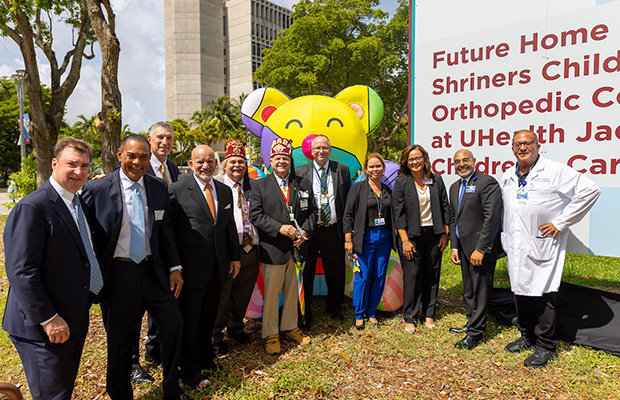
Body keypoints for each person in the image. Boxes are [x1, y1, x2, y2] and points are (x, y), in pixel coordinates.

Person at [82, 134, 188, 400]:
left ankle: (171, 388)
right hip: (119, 273)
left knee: (173, 323)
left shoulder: (157, 187)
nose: (137, 162)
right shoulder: (98, 188)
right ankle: (121, 394)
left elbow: (165, 231)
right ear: (119, 156)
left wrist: (174, 267)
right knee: (120, 340)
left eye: (143, 156)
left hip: (154, 270)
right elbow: (82, 231)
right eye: (131, 156)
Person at [3, 138, 102, 400]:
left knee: (62, 390)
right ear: (54, 164)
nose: (78, 172)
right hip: (42, 327)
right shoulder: (33, 207)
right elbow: (22, 272)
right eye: (72, 164)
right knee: (52, 395)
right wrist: (48, 318)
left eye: (84, 166)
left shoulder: (77, 203)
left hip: (72, 317)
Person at [501, 129, 600, 367]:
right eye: (517, 144)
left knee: (544, 293)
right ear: (512, 148)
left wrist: (560, 222)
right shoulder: (507, 175)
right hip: (516, 244)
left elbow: (590, 190)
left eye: (527, 143)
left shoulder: (555, 170)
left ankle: (546, 345)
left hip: (542, 243)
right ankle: (526, 336)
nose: (522, 148)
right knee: (520, 291)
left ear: (538, 145)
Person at [168, 145, 241, 388]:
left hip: (217, 268)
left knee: (209, 318)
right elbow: (169, 232)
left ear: (216, 163)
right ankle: (189, 370)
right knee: (190, 321)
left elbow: (228, 225)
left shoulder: (223, 190)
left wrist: (234, 256)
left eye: (210, 161)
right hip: (190, 271)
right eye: (200, 162)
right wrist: (174, 266)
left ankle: (206, 358)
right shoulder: (178, 190)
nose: (205, 166)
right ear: (191, 164)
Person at [250, 137, 317, 354]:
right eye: (277, 158)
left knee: (292, 291)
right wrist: (280, 228)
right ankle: (270, 333)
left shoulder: (302, 184)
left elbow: (314, 213)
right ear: (270, 160)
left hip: (297, 249)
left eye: (285, 158)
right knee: (271, 294)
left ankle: (290, 326)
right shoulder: (260, 185)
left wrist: (305, 232)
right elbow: (255, 215)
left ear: (290, 160)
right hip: (273, 250)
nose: (281, 162)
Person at [131, 121, 181, 382]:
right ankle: (132, 363)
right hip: (135, 251)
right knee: (132, 312)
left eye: (169, 138)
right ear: (150, 140)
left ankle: (154, 351)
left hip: (162, 251)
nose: (165, 142)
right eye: (160, 138)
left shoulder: (172, 169)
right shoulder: (137, 165)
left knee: (160, 306)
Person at [391, 145, 452, 333]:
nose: (415, 162)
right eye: (411, 159)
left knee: (432, 274)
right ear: (406, 163)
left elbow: (445, 207)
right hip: (411, 237)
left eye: (418, 158)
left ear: (424, 159)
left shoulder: (436, 180)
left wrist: (445, 233)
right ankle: (410, 315)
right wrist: (405, 241)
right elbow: (397, 214)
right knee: (412, 276)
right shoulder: (402, 182)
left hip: (434, 235)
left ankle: (429, 313)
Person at [448, 149, 503, 350]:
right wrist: (454, 246)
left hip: (480, 250)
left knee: (481, 291)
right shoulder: (454, 187)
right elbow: (453, 218)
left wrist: (481, 248)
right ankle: (471, 321)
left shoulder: (487, 183)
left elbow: (492, 218)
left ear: (474, 161)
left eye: (465, 160)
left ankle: (476, 333)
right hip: (462, 248)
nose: (461, 164)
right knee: (469, 289)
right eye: (457, 162)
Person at [296, 135, 351, 328]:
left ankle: (335, 307)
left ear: (330, 149)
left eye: (324, 148)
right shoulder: (300, 172)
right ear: (311, 151)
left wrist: (347, 231)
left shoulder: (342, 170)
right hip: (310, 231)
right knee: (307, 270)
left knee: (335, 270)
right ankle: (306, 310)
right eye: (317, 148)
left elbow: (347, 202)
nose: (321, 151)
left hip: (333, 229)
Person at [212, 140, 260, 355]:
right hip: (227, 252)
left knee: (242, 293)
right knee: (223, 294)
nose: (237, 166)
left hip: (251, 250)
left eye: (241, 161)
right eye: (233, 161)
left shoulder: (253, 187)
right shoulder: (215, 187)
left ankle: (235, 327)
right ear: (224, 164)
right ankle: (215, 335)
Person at [343, 153, 396, 330]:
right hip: (364, 239)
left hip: (384, 239)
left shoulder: (387, 190)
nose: (375, 170)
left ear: (383, 168)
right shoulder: (357, 188)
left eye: (378, 166)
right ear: (366, 169)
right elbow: (347, 215)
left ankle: (371, 312)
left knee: (379, 276)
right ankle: (359, 314)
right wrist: (348, 239)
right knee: (363, 277)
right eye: (371, 167)